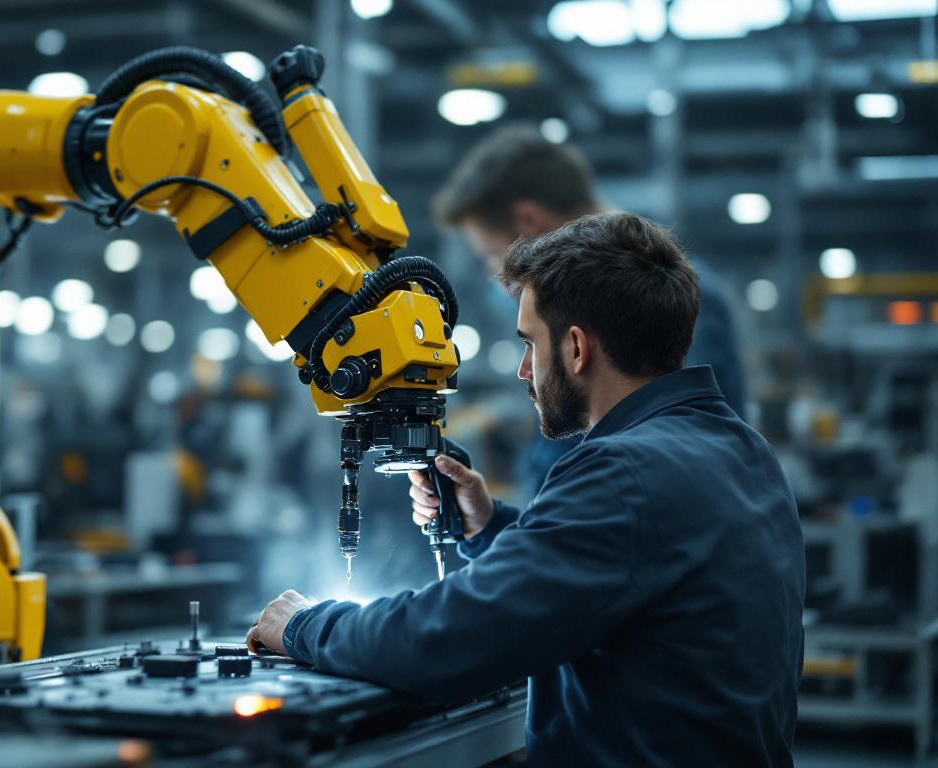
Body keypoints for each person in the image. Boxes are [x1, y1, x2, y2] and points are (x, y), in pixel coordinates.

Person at [247, 213, 804, 767]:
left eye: (530, 344)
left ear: (577, 349)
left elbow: (447, 642)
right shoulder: (743, 451)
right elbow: (628, 569)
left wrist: (306, 625)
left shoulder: (621, 472)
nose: (522, 370)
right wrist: (491, 528)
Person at [432, 125, 745, 497]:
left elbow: (680, 472)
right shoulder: (568, 310)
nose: (496, 278)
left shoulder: (675, 300)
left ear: (529, 222)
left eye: (491, 256)